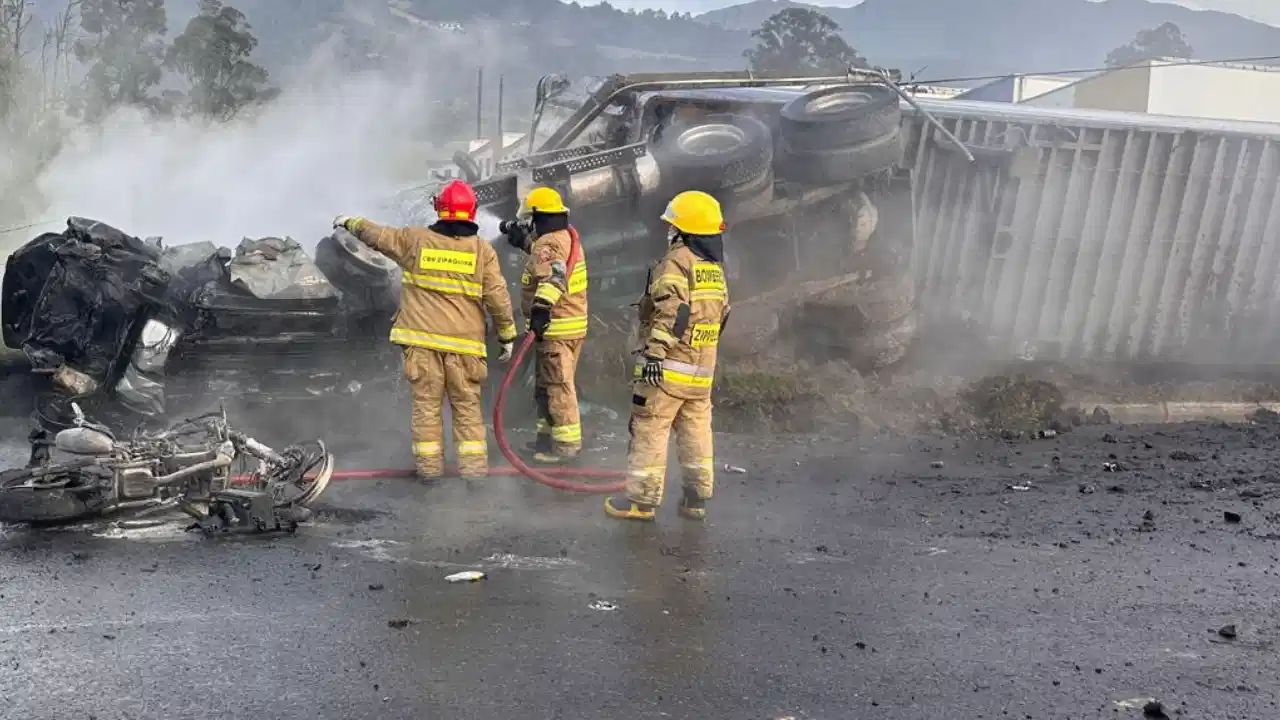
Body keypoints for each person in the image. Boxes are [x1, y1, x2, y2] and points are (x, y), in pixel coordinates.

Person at [333, 179, 517, 480]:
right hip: (465, 349)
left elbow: (379, 236)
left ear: (439, 209)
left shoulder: (415, 241)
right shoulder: (482, 252)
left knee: (426, 409)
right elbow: (498, 297)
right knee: (467, 409)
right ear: (472, 213)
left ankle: (429, 472)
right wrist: (506, 335)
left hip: (421, 346)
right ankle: (474, 474)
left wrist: (350, 222)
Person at [605, 190, 731, 522]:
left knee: (651, 426)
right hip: (701, 369)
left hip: (669, 368)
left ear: (684, 230)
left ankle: (641, 503)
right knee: (696, 431)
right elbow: (723, 315)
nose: (669, 232)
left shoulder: (676, 262)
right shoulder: (714, 269)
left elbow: (671, 313)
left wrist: (654, 356)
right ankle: (696, 500)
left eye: (672, 226)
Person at [505, 186, 588, 465]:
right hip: (566, 327)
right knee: (547, 386)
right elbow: (553, 263)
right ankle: (546, 438)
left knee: (557, 386)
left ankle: (565, 447)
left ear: (537, 216)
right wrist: (526, 245)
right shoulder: (562, 237)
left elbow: (554, 277)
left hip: (556, 329)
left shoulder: (549, 244)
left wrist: (540, 309)